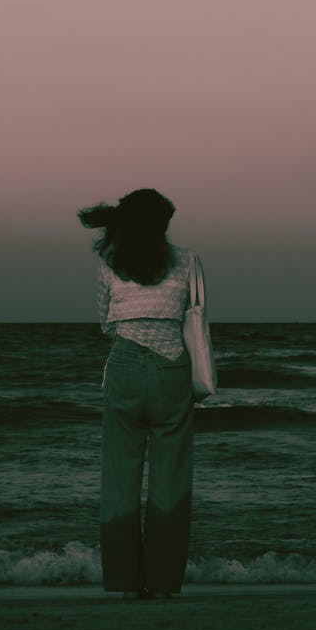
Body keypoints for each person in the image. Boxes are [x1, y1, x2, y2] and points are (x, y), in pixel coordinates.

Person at [77, 187, 201, 599]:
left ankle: (125, 581)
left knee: (119, 475)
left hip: (125, 366)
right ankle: (164, 582)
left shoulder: (109, 264)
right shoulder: (188, 261)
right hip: (171, 367)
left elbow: (104, 324)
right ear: (163, 224)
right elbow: (196, 317)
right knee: (171, 477)